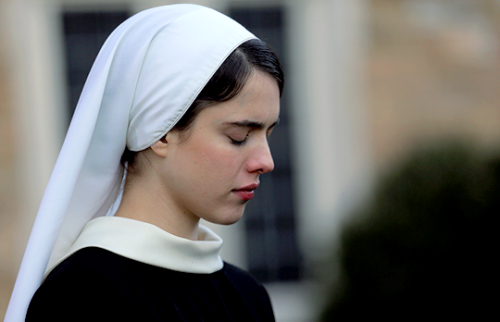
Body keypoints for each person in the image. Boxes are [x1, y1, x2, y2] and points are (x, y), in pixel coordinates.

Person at [4, 4, 283, 322]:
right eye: (239, 135)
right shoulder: (82, 297)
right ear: (160, 132)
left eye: (268, 134)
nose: (266, 162)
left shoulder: (247, 295)